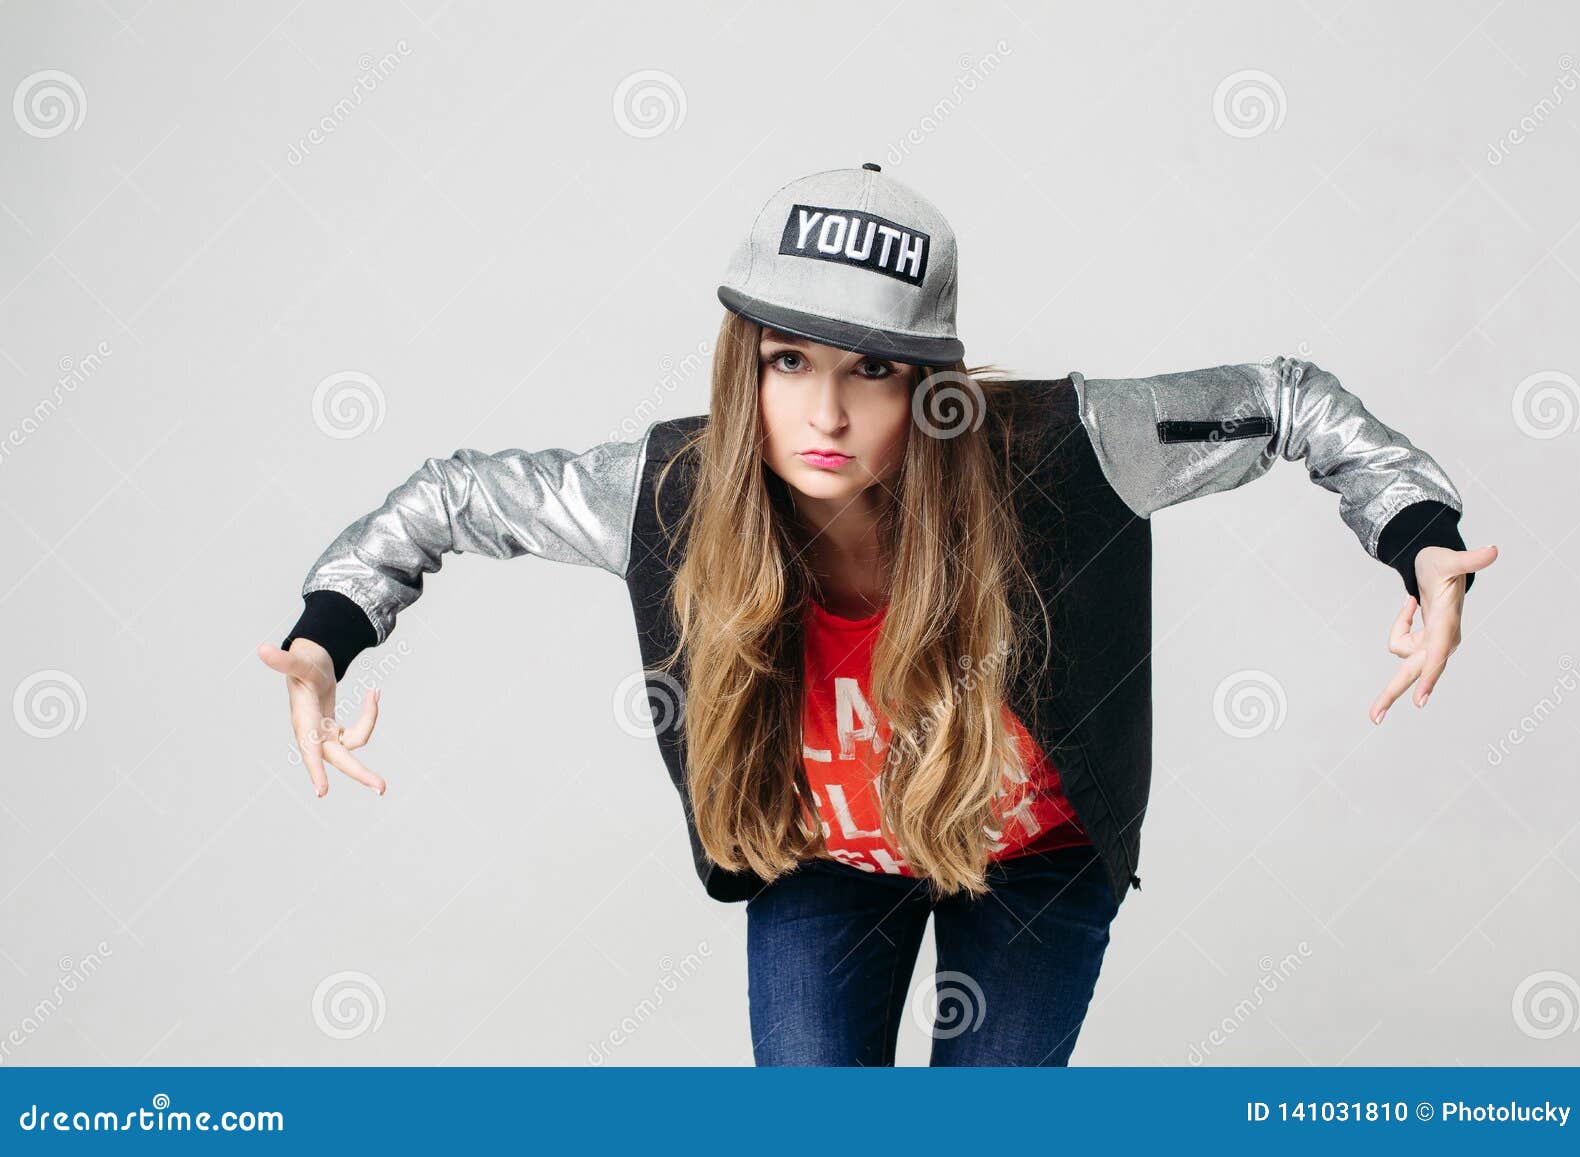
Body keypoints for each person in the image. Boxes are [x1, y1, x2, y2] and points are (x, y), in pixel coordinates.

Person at [258, 163, 1498, 1066]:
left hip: (1033, 858)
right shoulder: (674, 490)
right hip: (826, 857)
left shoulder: (1063, 454)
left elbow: (1283, 401)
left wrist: (1421, 541)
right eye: (789, 360)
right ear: (743, 362)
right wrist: (328, 633)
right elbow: (454, 497)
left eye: (874, 370)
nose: (827, 413)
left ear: (932, 379)